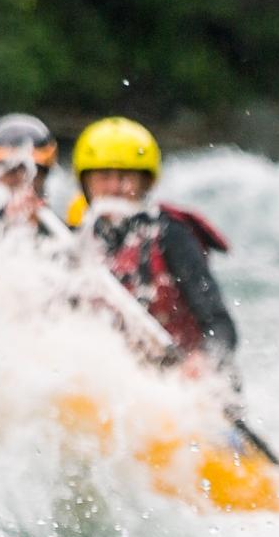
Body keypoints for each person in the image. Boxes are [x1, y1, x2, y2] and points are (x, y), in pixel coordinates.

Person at [67, 118, 240, 366]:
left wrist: (203, 359)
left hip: (182, 378)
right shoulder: (78, 239)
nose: (115, 187)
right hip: (120, 377)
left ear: (145, 183)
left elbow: (221, 325)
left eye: (126, 176)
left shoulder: (171, 235)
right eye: (104, 176)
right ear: (86, 183)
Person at [0, 115, 60, 233]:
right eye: (11, 170)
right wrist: (3, 217)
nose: (21, 179)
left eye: (32, 171)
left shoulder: (63, 232)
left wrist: (40, 226)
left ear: (44, 174)